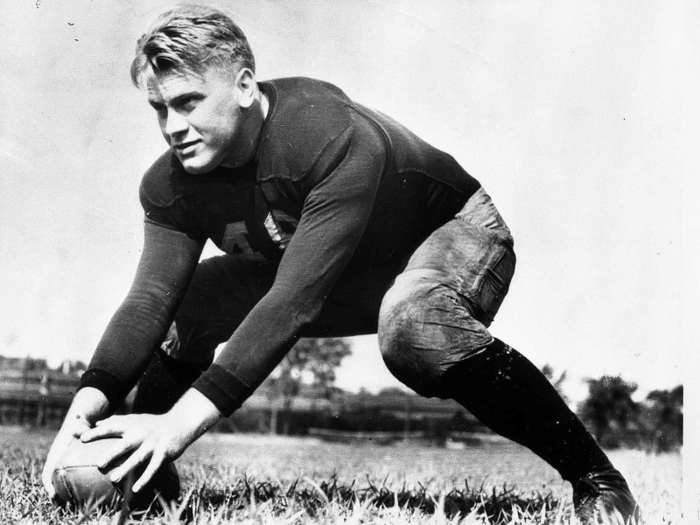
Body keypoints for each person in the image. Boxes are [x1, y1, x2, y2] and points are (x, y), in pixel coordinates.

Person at [42, 5, 640, 523]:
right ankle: (142, 481)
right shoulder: (172, 184)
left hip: (444, 232)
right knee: (182, 309)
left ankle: (598, 480)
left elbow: (293, 301)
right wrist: (84, 409)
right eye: (159, 109)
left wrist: (176, 424)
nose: (173, 127)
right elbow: (149, 300)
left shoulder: (324, 133)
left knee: (414, 328)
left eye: (188, 103)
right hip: (333, 267)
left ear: (246, 86)